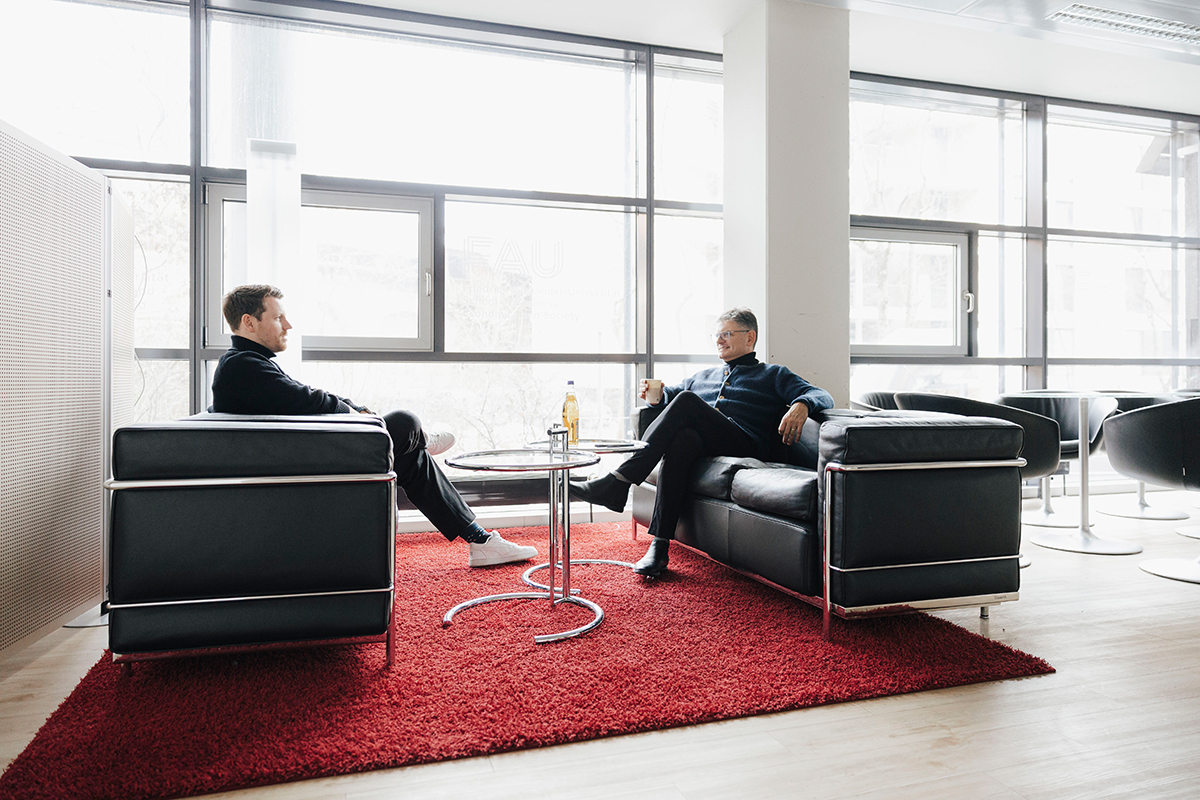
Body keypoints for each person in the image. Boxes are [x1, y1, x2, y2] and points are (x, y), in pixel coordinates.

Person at [210, 284, 538, 568]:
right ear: (249, 322)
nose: (288, 325)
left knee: (408, 454)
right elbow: (312, 401)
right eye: (278, 317)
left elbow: (306, 400)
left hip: (307, 457)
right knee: (403, 422)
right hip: (310, 466)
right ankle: (421, 441)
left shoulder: (247, 365)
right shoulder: (242, 367)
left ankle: (479, 539)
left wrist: (358, 411)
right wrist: (364, 415)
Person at [570, 308, 833, 577]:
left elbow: (821, 395)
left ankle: (619, 481)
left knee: (685, 400)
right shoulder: (702, 376)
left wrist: (802, 404)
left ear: (750, 337)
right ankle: (659, 547)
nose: (719, 340)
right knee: (682, 440)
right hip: (709, 444)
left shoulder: (773, 374)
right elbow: (669, 396)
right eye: (717, 335)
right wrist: (656, 396)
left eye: (727, 334)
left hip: (745, 444)